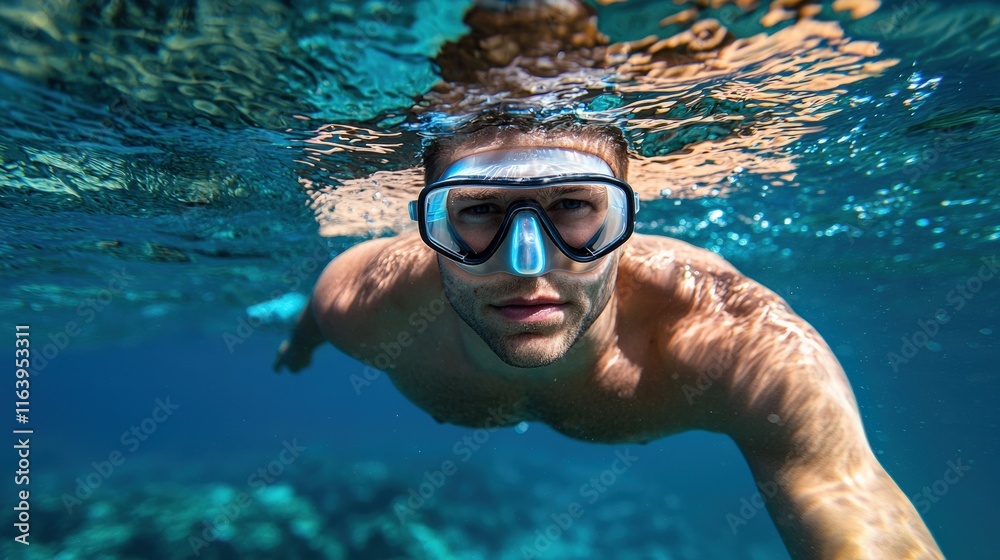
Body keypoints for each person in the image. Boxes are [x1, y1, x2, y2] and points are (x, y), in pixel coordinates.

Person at [274, 119, 944, 559]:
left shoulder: (737, 341)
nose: (529, 262)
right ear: (430, 228)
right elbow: (318, 317)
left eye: (574, 206)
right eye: (478, 210)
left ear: (626, 221)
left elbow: (849, 496)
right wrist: (301, 344)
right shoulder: (362, 304)